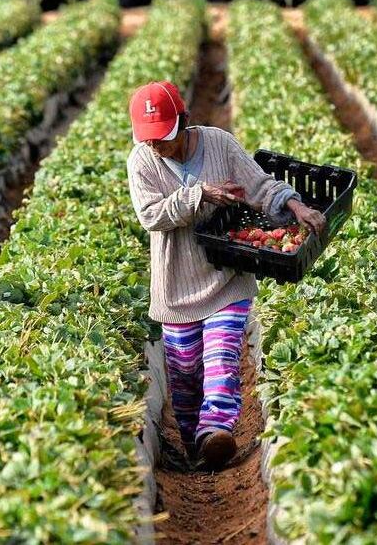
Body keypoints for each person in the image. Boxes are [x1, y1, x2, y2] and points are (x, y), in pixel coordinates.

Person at [126, 81, 325, 468]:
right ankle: (193, 442)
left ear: (183, 122)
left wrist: (295, 205)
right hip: (176, 286)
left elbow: (260, 184)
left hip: (226, 279)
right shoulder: (141, 162)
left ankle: (215, 430)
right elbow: (151, 215)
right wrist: (201, 194)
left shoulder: (219, 144)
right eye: (148, 138)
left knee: (222, 356)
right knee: (183, 376)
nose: (155, 145)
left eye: (163, 137)